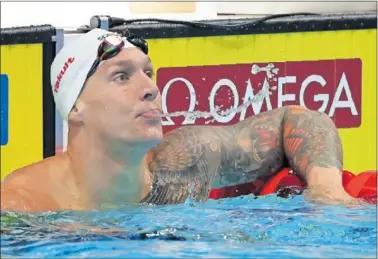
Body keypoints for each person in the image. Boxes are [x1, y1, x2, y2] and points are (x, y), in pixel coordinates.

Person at [0, 29, 358, 213]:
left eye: (148, 73)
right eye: (122, 77)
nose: (150, 89)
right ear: (75, 107)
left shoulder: (181, 165)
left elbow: (293, 121)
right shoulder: (24, 207)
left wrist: (326, 188)